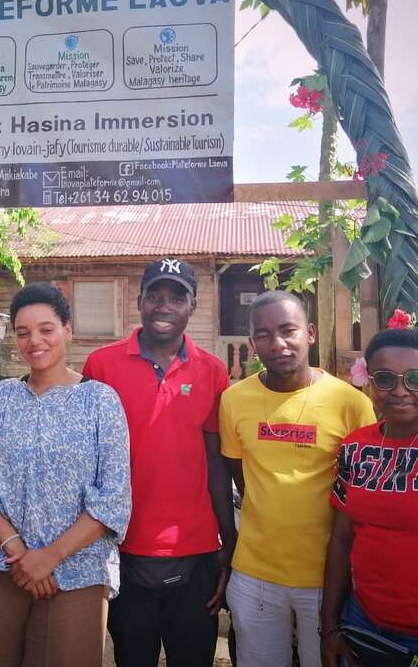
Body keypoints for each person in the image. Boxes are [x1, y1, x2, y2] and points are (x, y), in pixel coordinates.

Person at [0, 283, 131, 667]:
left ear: (67, 330)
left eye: (46, 329)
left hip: (79, 569)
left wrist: (49, 557)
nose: (34, 341)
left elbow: (113, 496)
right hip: (4, 566)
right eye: (23, 332)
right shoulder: (1, 398)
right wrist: (20, 553)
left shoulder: (100, 400)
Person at [83, 257, 235, 667]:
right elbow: (88, 459)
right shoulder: (101, 365)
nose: (164, 306)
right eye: (154, 296)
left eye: (176, 298)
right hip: (123, 544)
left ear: (193, 306)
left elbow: (216, 463)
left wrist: (229, 541)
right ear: (139, 301)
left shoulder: (213, 372)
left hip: (196, 550)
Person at [220, 290, 376, 667]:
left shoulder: (351, 403)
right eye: (263, 335)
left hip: (327, 578)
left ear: (310, 333)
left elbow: (363, 493)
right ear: (252, 343)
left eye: (288, 330)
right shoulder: (234, 400)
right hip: (255, 573)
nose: (278, 343)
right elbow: (241, 478)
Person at [321, 327, 418, 665]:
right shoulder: (355, 447)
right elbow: (341, 539)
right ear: (369, 381)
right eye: (386, 378)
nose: (401, 391)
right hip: (363, 619)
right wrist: (328, 625)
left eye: (415, 378)